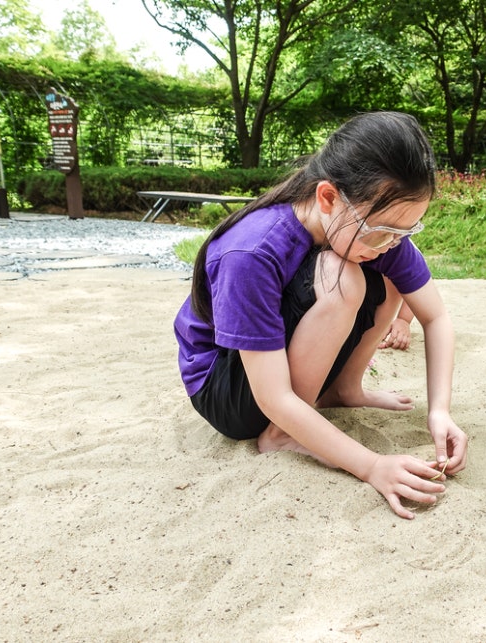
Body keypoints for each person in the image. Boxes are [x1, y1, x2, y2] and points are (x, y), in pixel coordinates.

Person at [174, 111, 468, 519]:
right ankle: (280, 435)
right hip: (228, 390)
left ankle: (344, 389)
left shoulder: (376, 228)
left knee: (393, 274)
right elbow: (273, 396)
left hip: (281, 369)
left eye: (406, 231)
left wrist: (440, 411)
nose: (390, 243)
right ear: (328, 197)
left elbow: (435, 318)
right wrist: (371, 465)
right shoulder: (251, 252)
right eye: (382, 231)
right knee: (342, 276)